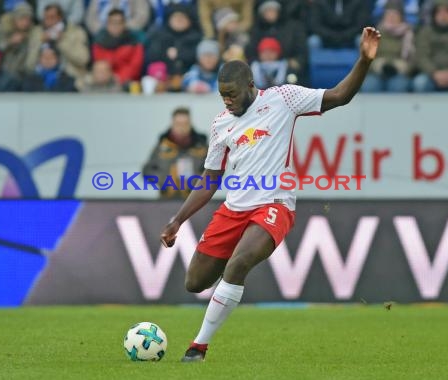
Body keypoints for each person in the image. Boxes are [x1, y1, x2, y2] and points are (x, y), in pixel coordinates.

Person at [159, 26, 381, 362]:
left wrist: (363, 61)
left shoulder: (283, 99)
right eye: (222, 95)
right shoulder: (221, 124)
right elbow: (210, 179)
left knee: (238, 265)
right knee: (195, 282)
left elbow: (339, 95)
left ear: (251, 86)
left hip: (274, 204)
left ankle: (198, 347)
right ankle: (221, 298)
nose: (227, 100)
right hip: (234, 209)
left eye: (232, 93)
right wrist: (178, 220)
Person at [142, 107, 208, 199]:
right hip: (165, 200)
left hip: (196, 201)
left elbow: (214, 172)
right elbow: (147, 171)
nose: (181, 128)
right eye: (178, 124)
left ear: (190, 124)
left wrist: (195, 181)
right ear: (172, 124)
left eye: (185, 124)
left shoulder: (202, 147)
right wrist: (164, 180)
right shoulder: (161, 147)